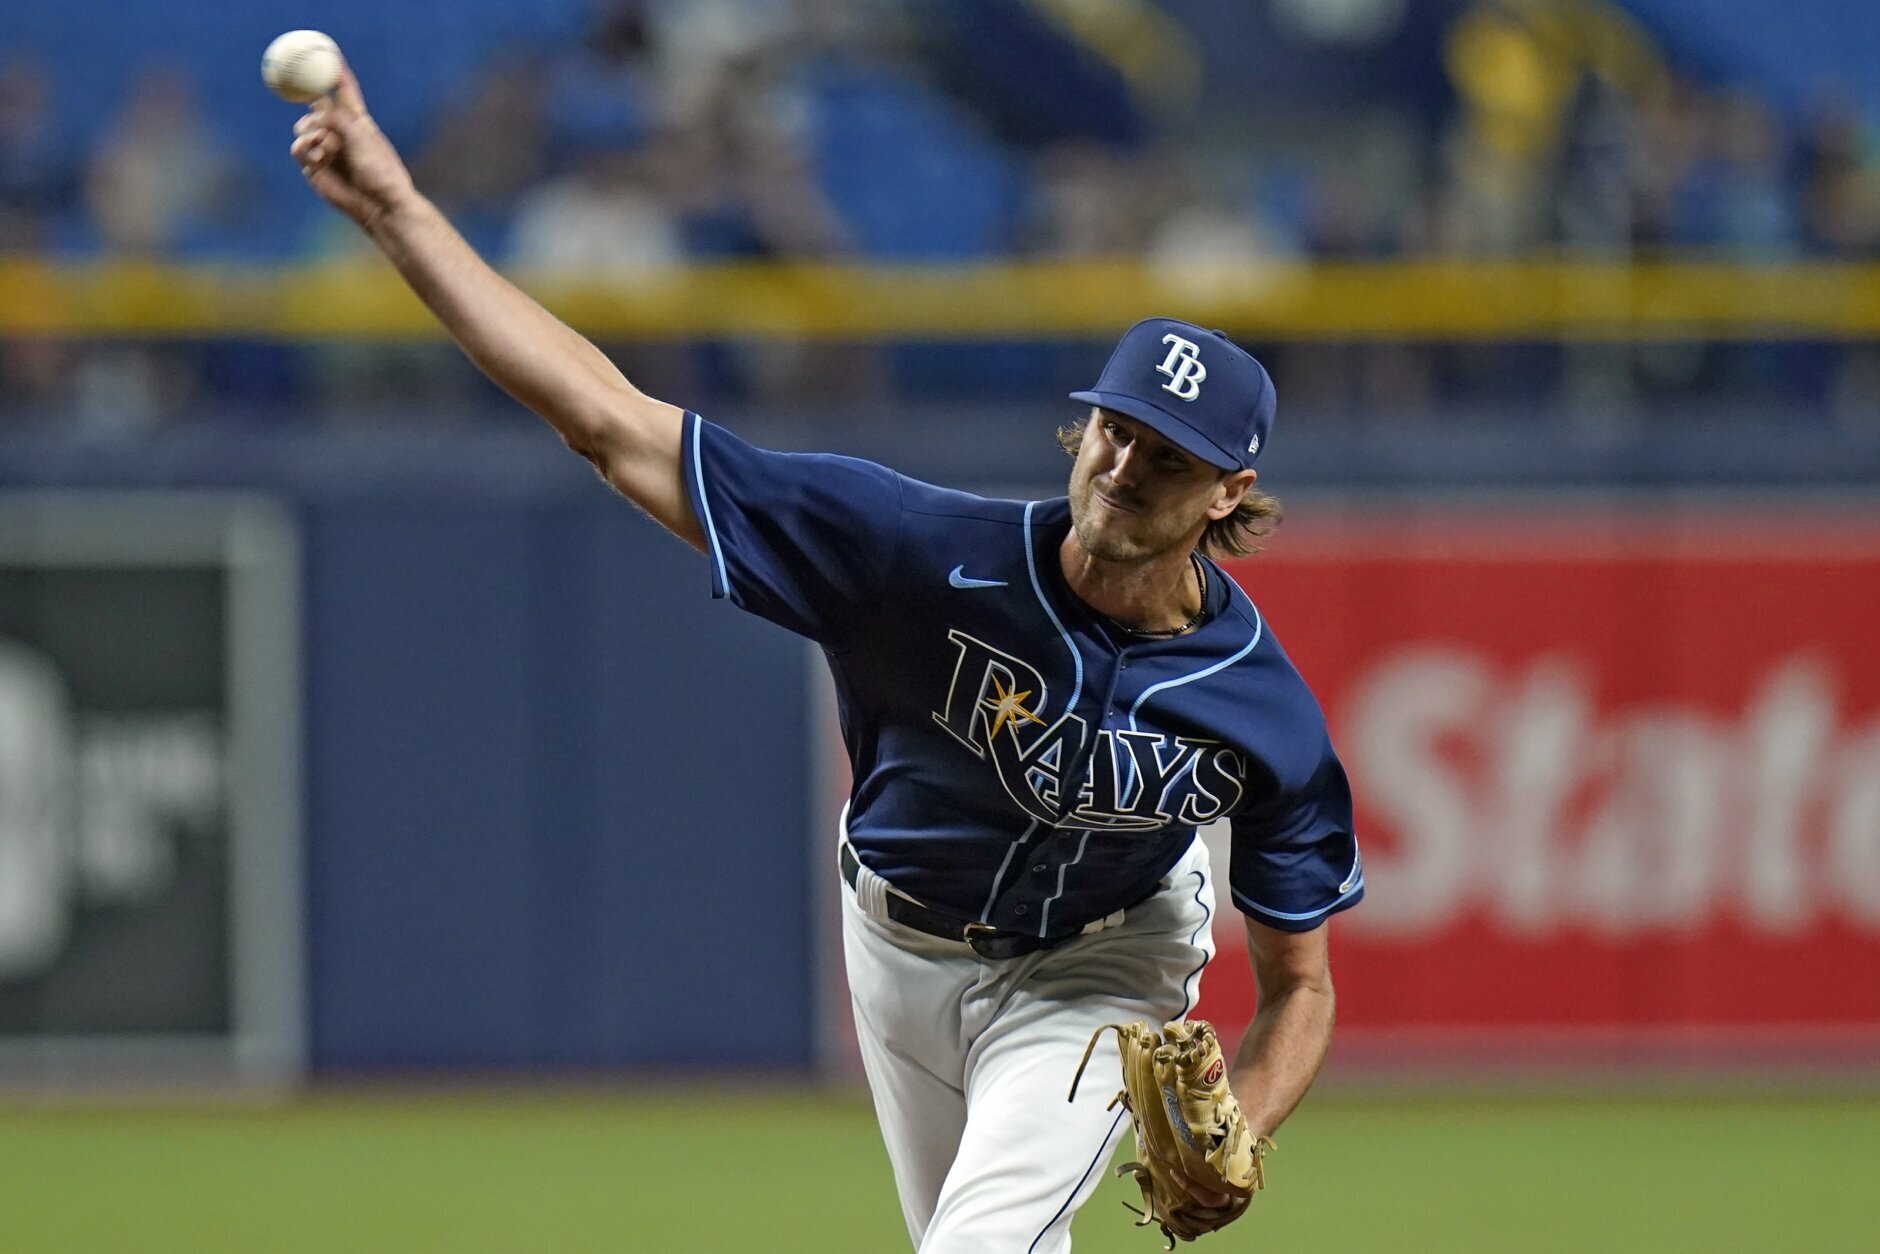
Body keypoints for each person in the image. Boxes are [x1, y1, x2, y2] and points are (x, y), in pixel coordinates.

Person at [289, 66, 1362, 1253]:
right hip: (896, 945)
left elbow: (1298, 985)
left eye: (1166, 459)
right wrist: (396, 211)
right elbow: (606, 420)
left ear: (1230, 492)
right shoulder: (912, 553)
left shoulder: (1259, 712)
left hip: (1100, 968)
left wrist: (1246, 1128)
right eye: (1114, 431)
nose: (1119, 471)